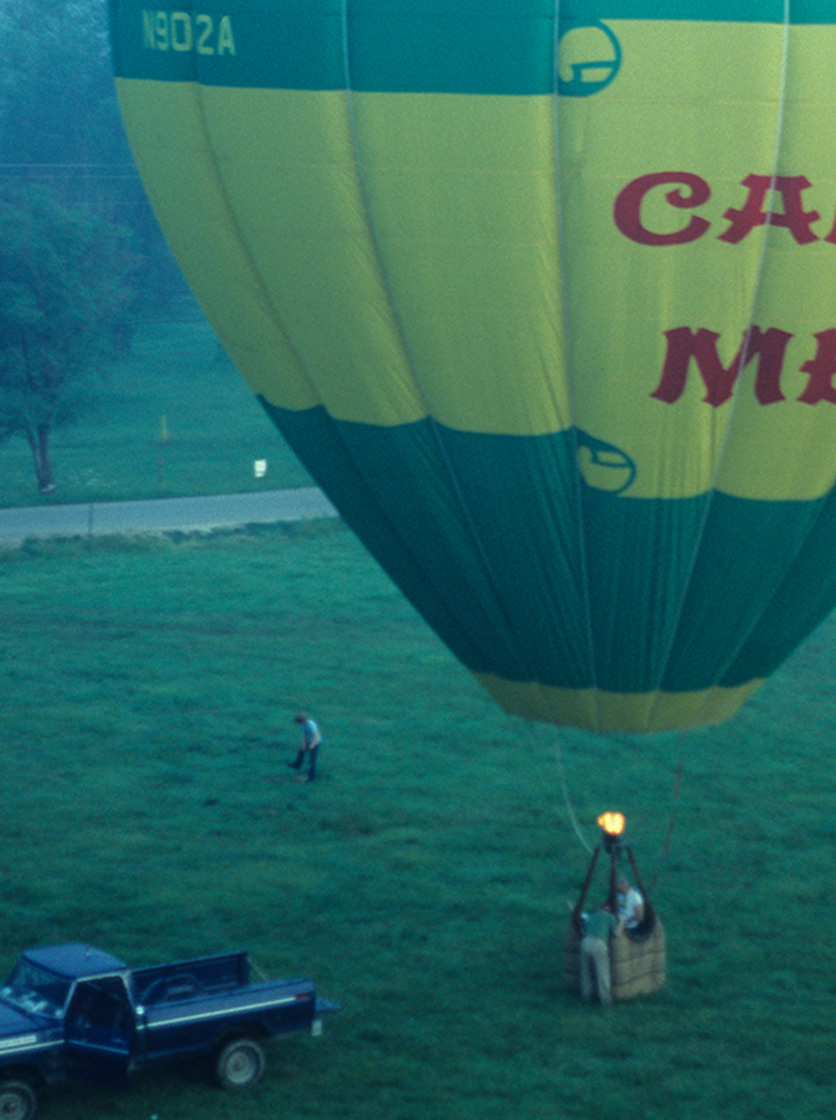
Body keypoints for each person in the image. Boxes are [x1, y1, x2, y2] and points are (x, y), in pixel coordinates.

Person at [579, 904, 623, 1005]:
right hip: (598, 944)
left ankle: (586, 996)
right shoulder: (609, 917)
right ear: (608, 910)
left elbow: (583, 930)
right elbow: (617, 933)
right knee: (602, 973)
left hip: (585, 942)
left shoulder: (591, 917)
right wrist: (622, 922)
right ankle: (605, 1000)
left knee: (585, 971)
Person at [287, 712, 321, 782]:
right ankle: (297, 764)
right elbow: (305, 736)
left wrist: (312, 745)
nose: (299, 724)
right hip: (309, 741)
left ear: (303, 720)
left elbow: (316, 736)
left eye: (299, 723)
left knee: (312, 760)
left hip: (315, 742)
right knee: (301, 751)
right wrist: (304, 745)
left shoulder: (311, 725)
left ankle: (311, 776)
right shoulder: (303, 725)